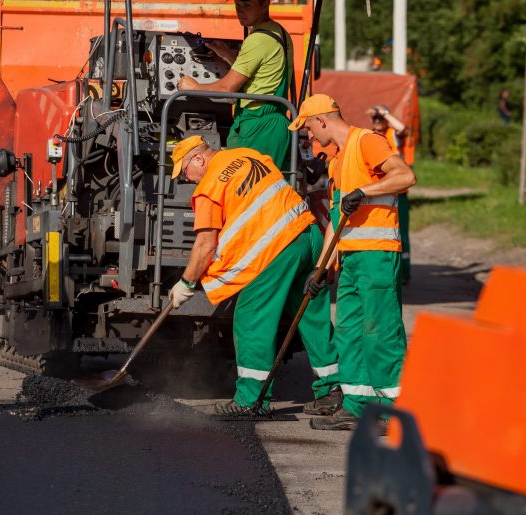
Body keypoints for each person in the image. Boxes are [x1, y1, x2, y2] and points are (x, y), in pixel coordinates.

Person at [167, 136, 342, 417]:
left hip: (277, 249)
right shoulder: (248, 154)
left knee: (251, 317)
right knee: (311, 316)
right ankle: (333, 389)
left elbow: (205, 245)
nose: (187, 179)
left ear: (198, 159)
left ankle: (251, 400)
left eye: (185, 171)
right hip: (308, 237)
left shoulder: (210, 186)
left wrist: (186, 283)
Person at [288, 95, 416, 431]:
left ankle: (392, 411)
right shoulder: (338, 161)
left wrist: (365, 191)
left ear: (323, 120)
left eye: (311, 129)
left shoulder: (366, 142)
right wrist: (320, 268)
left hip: (377, 255)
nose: (312, 138)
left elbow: (405, 176)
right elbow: (334, 220)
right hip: (351, 260)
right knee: (349, 334)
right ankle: (357, 406)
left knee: (381, 333)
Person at [178, 0, 293, 171]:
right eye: (238, 6)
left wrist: (193, 87)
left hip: (259, 126)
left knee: (249, 187)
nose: (241, 11)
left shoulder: (258, 40)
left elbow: (227, 87)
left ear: (265, 4)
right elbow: (259, 75)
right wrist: (228, 56)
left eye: (247, 6)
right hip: (270, 123)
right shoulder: (278, 32)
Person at [368, 104, 411, 284]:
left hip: (398, 193)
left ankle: (403, 273)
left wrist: (385, 113)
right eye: (375, 118)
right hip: (379, 192)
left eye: (381, 119)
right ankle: (385, 272)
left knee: (401, 233)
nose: (378, 122)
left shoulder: (392, 134)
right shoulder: (370, 137)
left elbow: (402, 129)